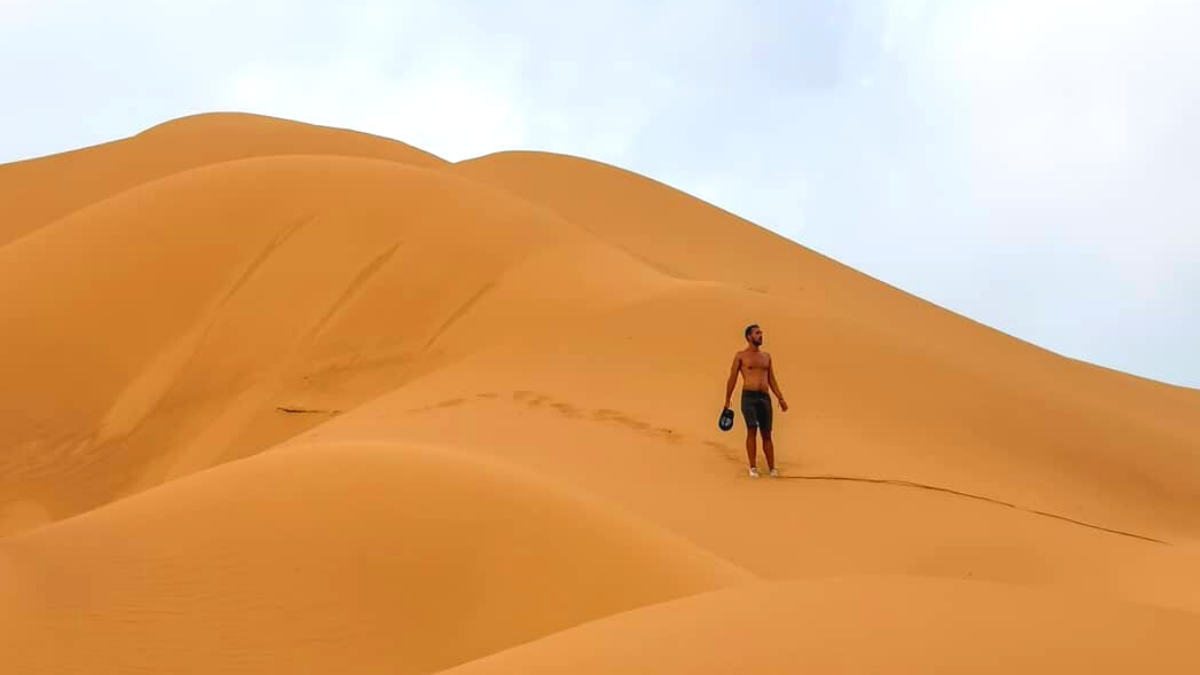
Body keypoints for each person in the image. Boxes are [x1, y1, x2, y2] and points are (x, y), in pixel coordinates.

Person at [724, 323, 788, 477]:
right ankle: (753, 467)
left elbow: (772, 379)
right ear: (749, 336)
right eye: (757, 333)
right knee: (751, 430)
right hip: (749, 397)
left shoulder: (766, 357)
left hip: (764, 398)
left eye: (761, 333)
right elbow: (732, 378)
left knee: (767, 433)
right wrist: (727, 399)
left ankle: (772, 468)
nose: (760, 336)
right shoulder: (741, 356)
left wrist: (780, 398)